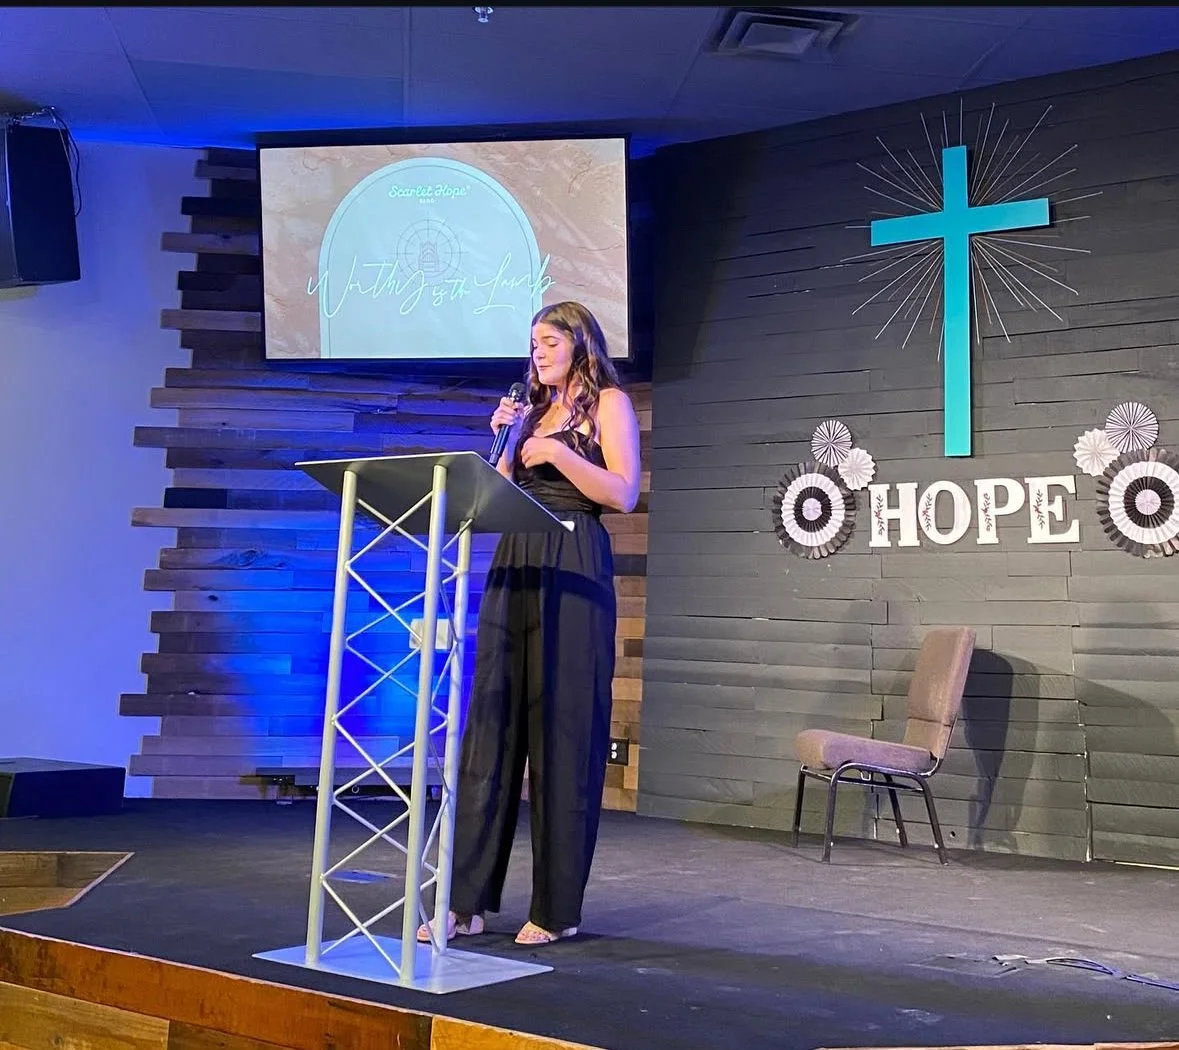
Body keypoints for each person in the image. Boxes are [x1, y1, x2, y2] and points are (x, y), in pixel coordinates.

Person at [418, 300, 641, 947]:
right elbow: (497, 497)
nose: (537, 353)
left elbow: (622, 492)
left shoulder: (608, 406)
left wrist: (555, 451)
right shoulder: (527, 412)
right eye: (532, 344)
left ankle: (556, 907)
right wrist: (509, 443)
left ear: (579, 345)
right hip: (515, 560)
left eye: (548, 341)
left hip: (573, 559)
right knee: (489, 730)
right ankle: (464, 902)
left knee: (563, 737)